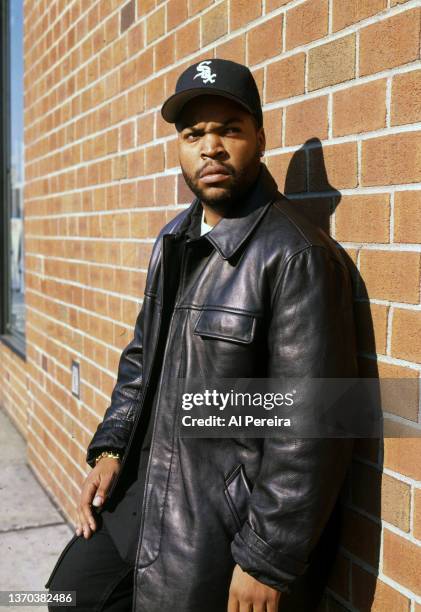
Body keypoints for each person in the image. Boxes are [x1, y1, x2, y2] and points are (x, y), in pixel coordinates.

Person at [45, 58, 358, 612]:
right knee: (62, 597)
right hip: (143, 488)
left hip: (214, 523)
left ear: (259, 138)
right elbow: (142, 358)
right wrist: (113, 446)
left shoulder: (296, 256)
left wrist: (267, 558)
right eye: (194, 134)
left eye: (228, 130)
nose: (210, 147)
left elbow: (315, 424)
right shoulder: (174, 238)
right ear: (180, 148)